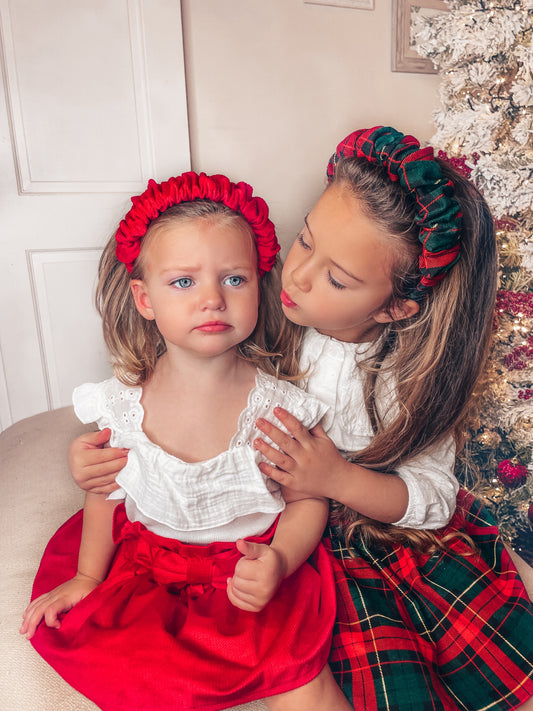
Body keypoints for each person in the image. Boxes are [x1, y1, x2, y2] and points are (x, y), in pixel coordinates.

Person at [66, 127, 533, 710]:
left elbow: (433, 497)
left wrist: (334, 480)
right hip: (278, 526)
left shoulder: (400, 380)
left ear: (395, 306)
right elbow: (177, 388)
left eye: (337, 278)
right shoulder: (258, 315)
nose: (296, 277)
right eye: (306, 241)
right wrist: (101, 455)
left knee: (418, 673)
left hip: (372, 535)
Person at [19, 171, 350, 711]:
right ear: (144, 299)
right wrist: (86, 576)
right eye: (183, 282)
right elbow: (105, 490)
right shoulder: (123, 404)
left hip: (249, 566)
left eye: (234, 279)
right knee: (136, 674)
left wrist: (282, 561)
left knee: (302, 680)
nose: (213, 300)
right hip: (151, 568)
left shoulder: (278, 408)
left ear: (259, 290)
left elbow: (307, 496)